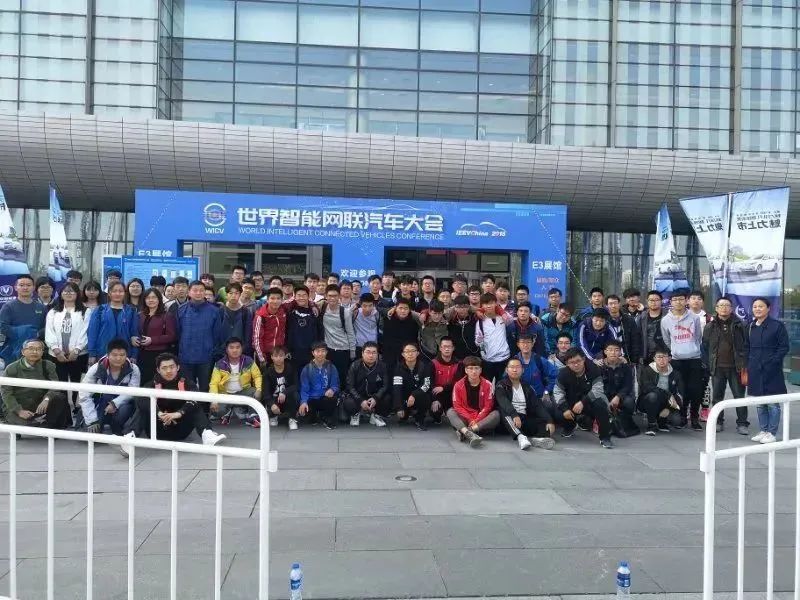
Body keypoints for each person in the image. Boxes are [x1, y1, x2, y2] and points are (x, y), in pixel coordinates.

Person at [136, 352, 226, 446]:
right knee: (142, 406)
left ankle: (207, 434)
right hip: (156, 430)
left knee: (196, 404)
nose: (168, 371)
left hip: (181, 430)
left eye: (172, 367)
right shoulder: (151, 384)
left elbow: (197, 400)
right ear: (158, 370)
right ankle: (130, 435)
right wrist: (159, 413)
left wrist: (179, 413)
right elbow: (141, 401)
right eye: (164, 368)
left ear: (178, 367)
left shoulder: (187, 383)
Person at [702, 296, 749, 434]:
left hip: (736, 367)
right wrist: (708, 364)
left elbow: (746, 345)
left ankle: (742, 423)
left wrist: (744, 362)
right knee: (717, 397)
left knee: (739, 396)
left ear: (731, 308)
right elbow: (705, 346)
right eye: (721, 305)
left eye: (727, 305)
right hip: (717, 367)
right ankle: (718, 421)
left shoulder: (740, 325)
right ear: (716, 308)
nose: (724, 308)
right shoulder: (710, 326)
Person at [1, 338, 71, 428]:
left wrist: (46, 399)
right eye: (31, 348)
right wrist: (19, 411)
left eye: (38, 349)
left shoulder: (48, 365)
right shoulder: (12, 368)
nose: (34, 352)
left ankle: (47, 424)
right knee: (28, 426)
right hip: (18, 405)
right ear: (23, 352)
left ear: (42, 352)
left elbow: (55, 386)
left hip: (39, 404)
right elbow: (6, 393)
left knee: (59, 397)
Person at [660, 288, 704, 431]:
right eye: (675, 299)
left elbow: (698, 337)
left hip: (694, 358)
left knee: (695, 390)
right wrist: (676, 350)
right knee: (681, 390)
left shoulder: (694, 318)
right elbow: (667, 340)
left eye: (681, 299)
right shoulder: (665, 320)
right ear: (670, 302)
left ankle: (695, 418)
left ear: (686, 301)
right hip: (677, 360)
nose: (678, 302)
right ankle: (683, 417)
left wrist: (692, 348)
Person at [748, 297, 790, 445]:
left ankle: (772, 432)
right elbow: (747, 347)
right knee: (760, 403)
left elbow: (784, 347)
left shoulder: (777, 326)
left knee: (772, 403)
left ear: (768, 308)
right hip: (755, 369)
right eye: (755, 306)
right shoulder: (751, 326)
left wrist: (773, 361)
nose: (757, 309)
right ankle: (763, 430)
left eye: (761, 306)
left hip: (772, 370)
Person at [554, 348, 614, 448]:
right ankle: (570, 426)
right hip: (571, 402)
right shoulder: (563, 373)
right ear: (567, 364)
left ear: (584, 359)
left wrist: (583, 402)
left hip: (590, 401)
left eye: (578, 361)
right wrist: (565, 409)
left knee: (600, 405)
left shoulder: (594, 369)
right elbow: (557, 392)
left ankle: (605, 437)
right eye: (572, 362)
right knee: (558, 412)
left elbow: (598, 389)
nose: (576, 365)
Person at [79, 339, 140, 436]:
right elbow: (84, 394)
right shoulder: (96, 368)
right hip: (99, 404)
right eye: (114, 355)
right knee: (91, 435)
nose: (118, 358)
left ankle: (117, 426)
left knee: (126, 408)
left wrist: (115, 403)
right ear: (108, 354)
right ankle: (96, 422)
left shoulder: (133, 369)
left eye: (122, 355)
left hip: (121, 405)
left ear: (126, 355)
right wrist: (92, 420)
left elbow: (132, 392)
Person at [495, 358, 556, 450]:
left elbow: (537, 405)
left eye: (518, 367)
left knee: (546, 427)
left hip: (523, 419)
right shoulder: (501, 385)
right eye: (512, 367)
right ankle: (520, 437)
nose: (515, 370)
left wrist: (549, 420)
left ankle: (535, 440)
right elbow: (503, 401)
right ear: (507, 370)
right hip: (507, 420)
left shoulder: (527, 386)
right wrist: (514, 414)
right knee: (502, 409)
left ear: (522, 370)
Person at [175, 280, 222, 393]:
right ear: (189, 292)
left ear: (205, 292)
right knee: (187, 388)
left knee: (205, 388)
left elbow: (217, 335)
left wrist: (213, 352)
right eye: (195, 290)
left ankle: (204, 406)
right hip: (186, 356)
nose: (198, 293)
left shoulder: (214, 311)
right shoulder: (181, 310)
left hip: (206, 357)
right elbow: (178, 333)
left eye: (201, 290)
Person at [447, 355, 500, 448]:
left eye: (476, 368)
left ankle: (466, 431)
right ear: (466, 370)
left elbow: (488, 406)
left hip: (481, 418)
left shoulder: (488, 384)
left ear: (480, 370)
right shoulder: (458, 385)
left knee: (496, 414)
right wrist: (470, 419)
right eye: (470, 368)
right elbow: (457, 406)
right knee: (451, 411)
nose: (474, 371)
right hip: (466, 417)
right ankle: (469, 433)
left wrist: (477, 420)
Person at [44, 281, 89, 389]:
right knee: (60, 384)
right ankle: (63, 401)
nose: (68, 293)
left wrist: (77, 350)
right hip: (56, 355)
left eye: (72, 291)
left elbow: (85, 332)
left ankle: (75, 400)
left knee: (76, 383)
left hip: (78, 355)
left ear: (77, 294)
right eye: (65, 291)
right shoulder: (53, 312)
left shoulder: (85, 311)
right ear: (61, 294)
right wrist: (57, 351)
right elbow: (49, 332)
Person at [209, 337, 262, 427]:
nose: (235, 350)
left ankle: (252, 415)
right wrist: (214, 401)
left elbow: (257, 376)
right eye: (231, 347)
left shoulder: (248, 361)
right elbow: (213, 384)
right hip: (225, 394)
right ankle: (229, 410)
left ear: (242, 349)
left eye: (238, 347)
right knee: (216, 411)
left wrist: (259, 389)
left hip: (242, 392)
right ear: (226, 350)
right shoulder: (220, 364)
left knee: (255, 392)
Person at [87, 281, 139, 366]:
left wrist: (134, 354)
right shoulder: (100, 310)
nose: (117, 294)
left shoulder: (131, 311)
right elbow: (92, 333)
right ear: (109, 293)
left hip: (124, 354)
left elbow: (135, 333)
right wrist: (92, 353)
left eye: (121, 291)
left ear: (125, 293)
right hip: (103, 352)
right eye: (114, 291)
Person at [0, 274, 47, 365]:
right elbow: (3, 326)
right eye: (21, 285)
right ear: (15, 287)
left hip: (36, 351)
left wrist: (36, 334)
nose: (25, 288)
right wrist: (23, 331)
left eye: (28, 285)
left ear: (33, 288)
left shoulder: (41, 307)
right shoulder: (8, 306)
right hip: (14, 350)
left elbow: (46, 327)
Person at [637, 346, 684, 436]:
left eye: (664, 357)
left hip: (667, 403)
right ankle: (651, 425)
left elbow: (680, 394)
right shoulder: (647, 370)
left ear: (669, 358)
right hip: (648, 401)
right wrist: (668, 394)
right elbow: (647, 388)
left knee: (676, 421)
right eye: (659, 357)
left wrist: (669, 409)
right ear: (654, 358)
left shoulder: (676, 374)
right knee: (653, 396)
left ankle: (662, 421)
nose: (662, 360)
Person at [343, 341, 389, 427]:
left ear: (377, 354)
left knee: (387, 398)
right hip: (358, 396)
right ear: (362, 353)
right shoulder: (354, 365)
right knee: (348, 402)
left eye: (374, 352)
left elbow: (385, 385)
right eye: (368, 352)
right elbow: (350, 386)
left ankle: (376, 415)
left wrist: (376, 398)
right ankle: (355, 414)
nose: (371, 355)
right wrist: (360, 400)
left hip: (374, 396)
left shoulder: (382, 366)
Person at [513, 333, 559, 420]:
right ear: (518, 344)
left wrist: (547, 391)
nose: (525, 345)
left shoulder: (539, 360)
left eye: (528, 342)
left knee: (549, 407)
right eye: (522, 342)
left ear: (533, 343)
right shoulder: (514, 362)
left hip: (539, 397)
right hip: (521, 400)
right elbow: (506, 379)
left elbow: (555, 375)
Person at [137, 287, 177, 386]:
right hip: (142, 354)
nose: (151, 300)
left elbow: (171, 336)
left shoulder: (167, 316)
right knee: (143, 382)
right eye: (148, 298)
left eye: (154, 297)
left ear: (159, 299)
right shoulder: (140, 315)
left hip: (159, 354)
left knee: (158, 383)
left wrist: (152, 340)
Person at [318, 284, 356, 384]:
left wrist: (352, 351)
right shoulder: (322, 308)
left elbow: (350, 332)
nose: (332, 298)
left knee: (341, 377)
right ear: (326, 296)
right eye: (330, 296)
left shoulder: (345, 312)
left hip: (343, 349)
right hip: (328, 348)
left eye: (335, 296)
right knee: (328, 376)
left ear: (339, 296)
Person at [599, 339, 638, 437]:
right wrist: (606, 400)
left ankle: (624, 421)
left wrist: (618, 396)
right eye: (610, 350)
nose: (613, 352)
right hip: (604, 396)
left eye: (616, 350)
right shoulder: (599, 366)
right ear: (605, 351)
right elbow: (597, 386)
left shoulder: (626, 367)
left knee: (629, 402)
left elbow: (628, 385)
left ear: (620, 352)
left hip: (620, 396)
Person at [298, 341, 340, 429]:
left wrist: (332, 389)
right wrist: (303, 402)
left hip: (325, 398)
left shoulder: (331, 367)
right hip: (312, 399)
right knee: (306, 414)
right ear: (313, 353)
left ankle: (326, 417)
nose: (320, 354)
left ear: (326, 352)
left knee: (332, 399)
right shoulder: (307, 369)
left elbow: (336, 384)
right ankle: (314, 416)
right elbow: (304, 388)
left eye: (323, 351)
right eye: (317, 351)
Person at [393, 342, 433, 430]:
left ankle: (420, 418)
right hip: (405, 397)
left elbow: (426, 384)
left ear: (417, 353)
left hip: (418, 396)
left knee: (426, 397)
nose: (410, 354)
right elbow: (397, 388)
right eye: (407, 351)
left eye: (413, 351)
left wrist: (414, 395)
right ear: (403, 354)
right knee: (400, 408)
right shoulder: (398, 368)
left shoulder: (424, 366)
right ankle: (406, 413)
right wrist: (399, 407)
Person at [475, 293, 511, 383]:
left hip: (504, 358)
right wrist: (479, 340)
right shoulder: (480, 322)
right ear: (482, 305)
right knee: (487, 385)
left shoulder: (503, 317)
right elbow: (477, 342)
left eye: (491, 303)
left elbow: (511, 320)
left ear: (496, 303)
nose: (488, 306)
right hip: (488, 360)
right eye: (485, 304)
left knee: (503, 386)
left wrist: (502, 312)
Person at [263, 345, 299, 430]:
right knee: (268, 400)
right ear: (272, 357)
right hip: (275, 399)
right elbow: (266, 392)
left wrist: (284, 392)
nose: (278, 358)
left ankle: (291, 418)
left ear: (285, 356)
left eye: (281, 356)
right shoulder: (268, 372)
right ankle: (273, 416)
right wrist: (272, 404)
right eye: (275, 356)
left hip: (287, 398)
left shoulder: (291, 368)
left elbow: (296, 385)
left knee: (294, 395)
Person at [285, 285, 319, 373]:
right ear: (295, 297)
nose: (301, 298)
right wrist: (287, 350)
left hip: (311, 354)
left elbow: (319, 333)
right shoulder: (290, 311)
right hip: (294, 354)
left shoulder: (315, 313)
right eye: (299, 295)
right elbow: (287, 332)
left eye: (304, 295)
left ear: (308, 296)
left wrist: (317, 350)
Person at [430, 337, 462, 424]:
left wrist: (444, 388)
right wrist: (434, 399)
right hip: (438, 394)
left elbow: (458, 382)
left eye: (449, 347)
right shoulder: (433, 363)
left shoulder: (459, 364)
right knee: (435, 411)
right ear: (440, 348)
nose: (447, 349)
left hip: (453, 393)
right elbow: (430, 383)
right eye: (444, 346)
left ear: (453, 348)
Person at [382, 298, 421, 368]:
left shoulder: (413, 324)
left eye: (406, 308)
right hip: (390, 357)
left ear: (409, 310)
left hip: (407, 356)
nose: (403, 311)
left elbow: (414, 341)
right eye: (400, 308)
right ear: (395, 309)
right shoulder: (387, 321)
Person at [217, 282, 252, 359]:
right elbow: (217, 333)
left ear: (240, 294)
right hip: (223, 353)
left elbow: (248, 334)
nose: (233, 296)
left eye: (236, 293)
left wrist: (244, 350)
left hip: (240, 352)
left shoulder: (245, 312)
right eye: (230, 293)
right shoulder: (220, 311)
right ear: (226, 295)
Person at [606, 294, 642, 364]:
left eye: (615, 303)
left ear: (619, 304)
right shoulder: (604, 321)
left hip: (627, 357)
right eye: (610, 304)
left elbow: (635, 340)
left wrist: (634, 359)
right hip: (609, 358)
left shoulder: (629, 319)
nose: (613, 306)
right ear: (607, 306)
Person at [637, 290, 665, 363]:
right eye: (651, 300)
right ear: (647, 301)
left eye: (657, 300)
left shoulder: (668, 316)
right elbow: (638, 337)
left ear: (661, 301)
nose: (654, 302)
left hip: (665, 354)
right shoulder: (641, 318)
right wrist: (640, 355)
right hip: (647, 355)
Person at [447, 295, 479, 359]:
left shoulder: (475, 319)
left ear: (469, 307)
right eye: (459, 307)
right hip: (456, 356)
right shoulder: (451, 321)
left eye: (465, 307)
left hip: (474, 355)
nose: (462, 309)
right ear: (455, 308)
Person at [352, 293, 381, 358]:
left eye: (370, 306)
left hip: (373, 347)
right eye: (364, 306)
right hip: (359, 347)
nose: (367, 309)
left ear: (374, 305)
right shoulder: (355, 313)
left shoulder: (377, 314)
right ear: (361, 305)